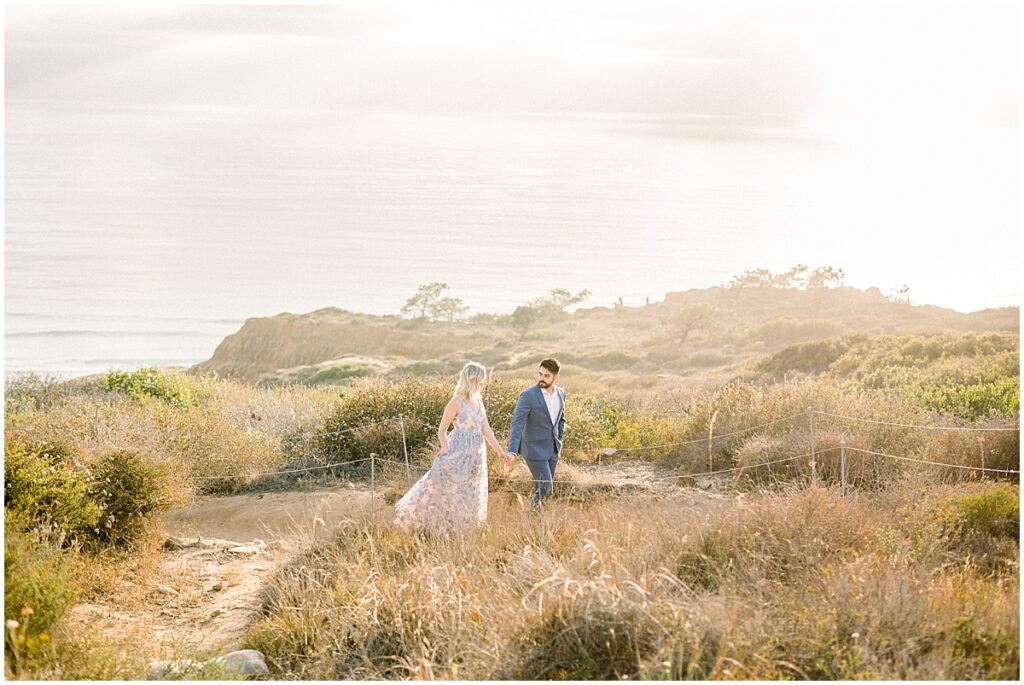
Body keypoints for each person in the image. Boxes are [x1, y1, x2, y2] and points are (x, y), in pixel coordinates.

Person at [394, 362, 513, 534]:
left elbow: (486, 429)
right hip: (458, 452)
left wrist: (500, 452)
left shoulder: (478, 401)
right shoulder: (456, 402)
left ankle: (465, 530)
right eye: (481, 381)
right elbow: (442, 428)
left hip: (476, 456)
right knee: (451, 491)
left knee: (471, 493)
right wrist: (444, 447)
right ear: (472, 380)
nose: (483, 384)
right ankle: (441, 528)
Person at [506, 358, 566, 510]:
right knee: (546, 487)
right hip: (533, 448)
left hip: (552, 449)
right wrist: (512, 450)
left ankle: (537, 524)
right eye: (540, 374)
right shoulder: (528, 395)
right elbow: (517, 423)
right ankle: (534, 518)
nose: (542, 378)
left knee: (542, 490)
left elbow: (561, 419)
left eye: (546, 376)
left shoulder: (561, 394)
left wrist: (559, 439)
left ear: (555, 377)